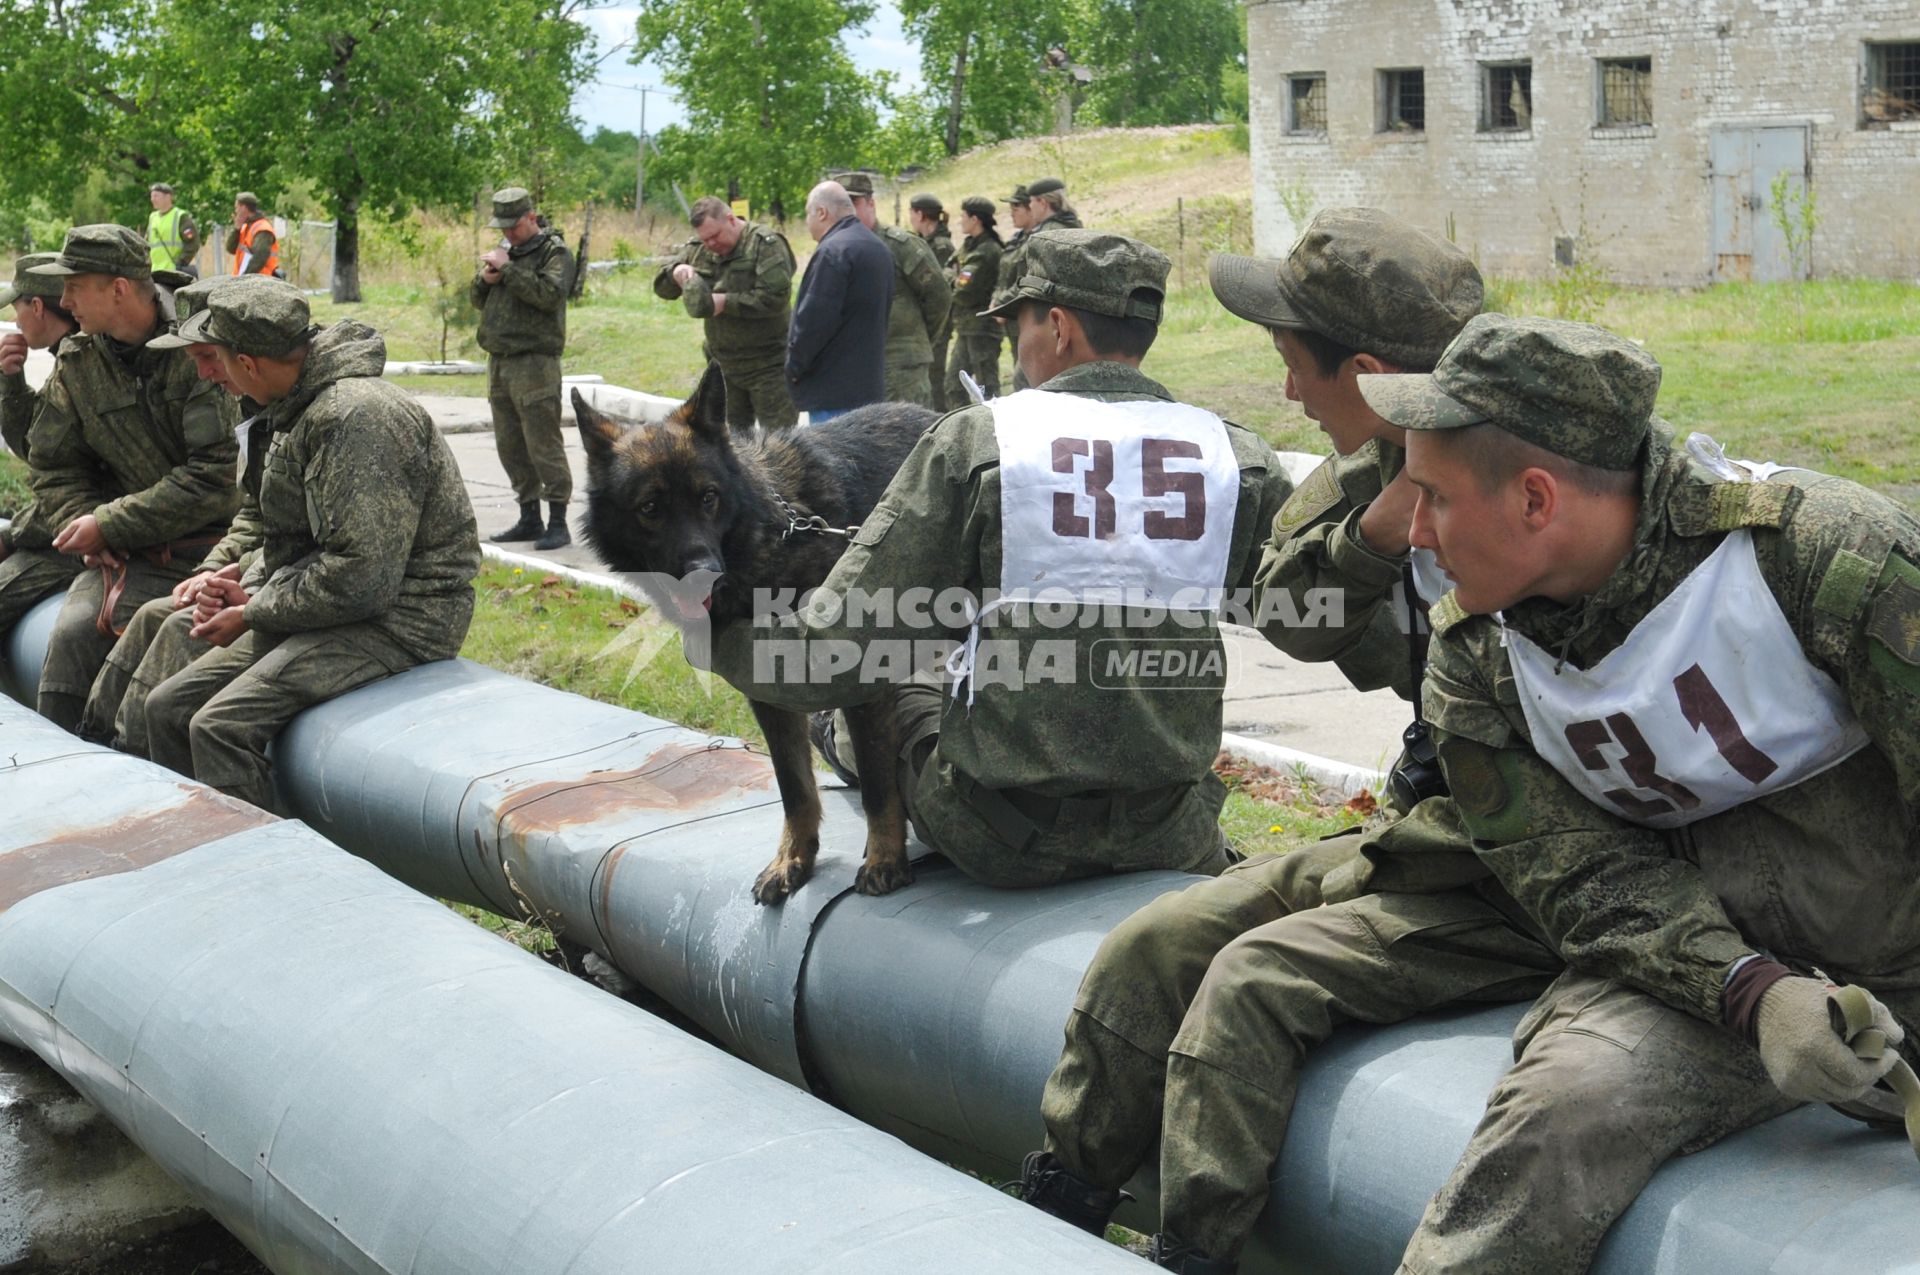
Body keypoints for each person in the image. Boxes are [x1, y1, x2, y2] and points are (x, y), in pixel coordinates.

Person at [1008, 214, 1546, 1275]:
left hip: (1530, 859)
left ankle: (1196, 1251)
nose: (1288, 393)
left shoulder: (1531, 486)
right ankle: (1059, 1205)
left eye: (1296, 366)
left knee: (1251, 985)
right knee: (1152, 947)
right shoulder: (1373, 470)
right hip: (1432, 826)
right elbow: (1284, 609)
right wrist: (1378, 527)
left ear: (1370, 369)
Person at [1362, 314, 1920, 1272]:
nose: (1414, 533)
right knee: (1560, 1114)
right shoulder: (1479, 663)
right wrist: (1754, 993)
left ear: (1536, 498)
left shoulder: (1831, 565)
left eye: (1435, 498)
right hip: (1705, 995)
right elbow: (1581, 878)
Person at [719, 229, 1293, 890]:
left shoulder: (977, 441)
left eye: (1016, 325)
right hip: (1171, 833)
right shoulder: (1235, 455)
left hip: (1007, 841)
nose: (1016, 346)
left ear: (1057, 326)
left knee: (878, 702)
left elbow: (829, 655)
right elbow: (1318, 618)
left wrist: (715, 635)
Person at [140, 278, 480, 812]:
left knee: (218, 726)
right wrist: (243, 584)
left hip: (402, 621)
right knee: (166, 706)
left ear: (249, 364)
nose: (213, 376)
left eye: (219, 361)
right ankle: (194, 849)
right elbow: (292, 538)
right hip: (337, 608)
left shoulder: (357, 416)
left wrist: (255, 611)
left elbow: (362, 577)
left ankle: (258, 872)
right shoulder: (296, 405)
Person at [24, 224, 240, 733]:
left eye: (75, 285)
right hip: (127, 555)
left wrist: (109, 523)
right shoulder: (80, 359)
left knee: (144, 684)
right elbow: (55, 464)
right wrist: (83, 523)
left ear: (118, 288)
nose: (64, 298)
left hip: (218, 555)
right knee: (73, 640)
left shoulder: (201, 349)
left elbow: (216, 477)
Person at [81, 276, 269, 754]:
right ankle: (98, 749)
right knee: (152, 617)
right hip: (255, 577)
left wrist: (246, 593)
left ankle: (136, 769)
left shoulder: (320, 415)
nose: (203, 372)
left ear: (244, 352)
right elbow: (258, 515)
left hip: (296, 598)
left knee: (178, 701)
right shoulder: (257, 407)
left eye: (209, 357)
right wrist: (213, 573)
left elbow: (332, 554)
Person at [472, 185, 575, 550]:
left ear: (531, 217)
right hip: (500, 361)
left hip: (535, 363)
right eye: (503, 228)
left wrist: (509, 270)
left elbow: (549, 296)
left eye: (514, 226)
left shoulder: (554, 252)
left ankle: (558, 521)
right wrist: (486, 279)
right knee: (510, 444)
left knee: (542, 443)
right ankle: (529, 516)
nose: (508, 234)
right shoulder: (507, 252)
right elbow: (476, 299)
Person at [652, 196, 798, 432]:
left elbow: (775, 298)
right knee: (729, 442)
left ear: (731, 219)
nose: (710, 244)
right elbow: (662, 290)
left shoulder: (765, 244)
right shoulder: (699, 249)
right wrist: (676, 272)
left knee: (780, 443)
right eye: (705, 239)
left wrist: (724, 303)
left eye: (715, 236)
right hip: (724, 365)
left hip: (770, 366)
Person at [0, 253, 88, 634]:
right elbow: (38, 450)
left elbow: (65, 478)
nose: (14, 322)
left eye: (17, 310)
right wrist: (10, 380)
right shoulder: (69, 356)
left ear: (37, 306)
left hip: (83, 538)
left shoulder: (83, 363)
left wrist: (15, 535)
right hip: (65, 527)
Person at [785, 181, 892, 423]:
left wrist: (794, 367)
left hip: (832, 393)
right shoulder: (877, 247)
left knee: (834, 459)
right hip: (868, 387)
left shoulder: (833, 252)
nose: (806, 222)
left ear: (821, 212)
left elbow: (813, 322)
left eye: (807, 214)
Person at [842, 172, 950, 408]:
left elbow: (939, 296)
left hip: (901, 367)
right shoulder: (838, 250)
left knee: (910, 439)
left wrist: (916, 339)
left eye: (854, 203)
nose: (847, 211)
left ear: (871, 203)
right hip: (858, 368)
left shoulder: (900, 245)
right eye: (842, 204)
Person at [944, 196, 1005, 405]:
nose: (960, 220)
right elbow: (946, 268)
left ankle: (993, 433)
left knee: (987, 390)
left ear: (975, 219)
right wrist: (954, 276)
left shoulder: (987, 250)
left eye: (963, 216)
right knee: (953, 385)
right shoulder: (969, 246)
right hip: (967, 329)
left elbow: (963, 290)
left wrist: (953, 277)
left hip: (982, 331)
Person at [908, 193, 956, 409]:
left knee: (935, 376)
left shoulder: (942, 245)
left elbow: (940, 285)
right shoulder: (923, 241)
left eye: (912, 212)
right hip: (926, 320)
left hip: (938, 321)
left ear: (920, 214)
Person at [145, 184, 200, 278]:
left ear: (168, 197)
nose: (152, 199)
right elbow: (146, 243)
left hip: (173, 272)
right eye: (151, 196)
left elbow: (192, 243)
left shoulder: (180, 216)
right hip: (154, 271)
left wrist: (181, 262)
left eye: (156, 196)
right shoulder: (152, 217)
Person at [225, 193, 280, 277]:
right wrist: (236, 230)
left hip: (261, 281)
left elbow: (259, 258)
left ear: (244, 208)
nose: (235, 211)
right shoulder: (244, 227)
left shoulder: (262, 228)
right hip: (245, 280)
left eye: (236, 208)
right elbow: (231, 249)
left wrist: (245, 278)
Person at [1002, 185, 1033, 251]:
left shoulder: (1040, 239)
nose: (1012, 214)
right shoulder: (1017, 237)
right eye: (1011, 209)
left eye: (1015, 210)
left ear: (1031, 210)